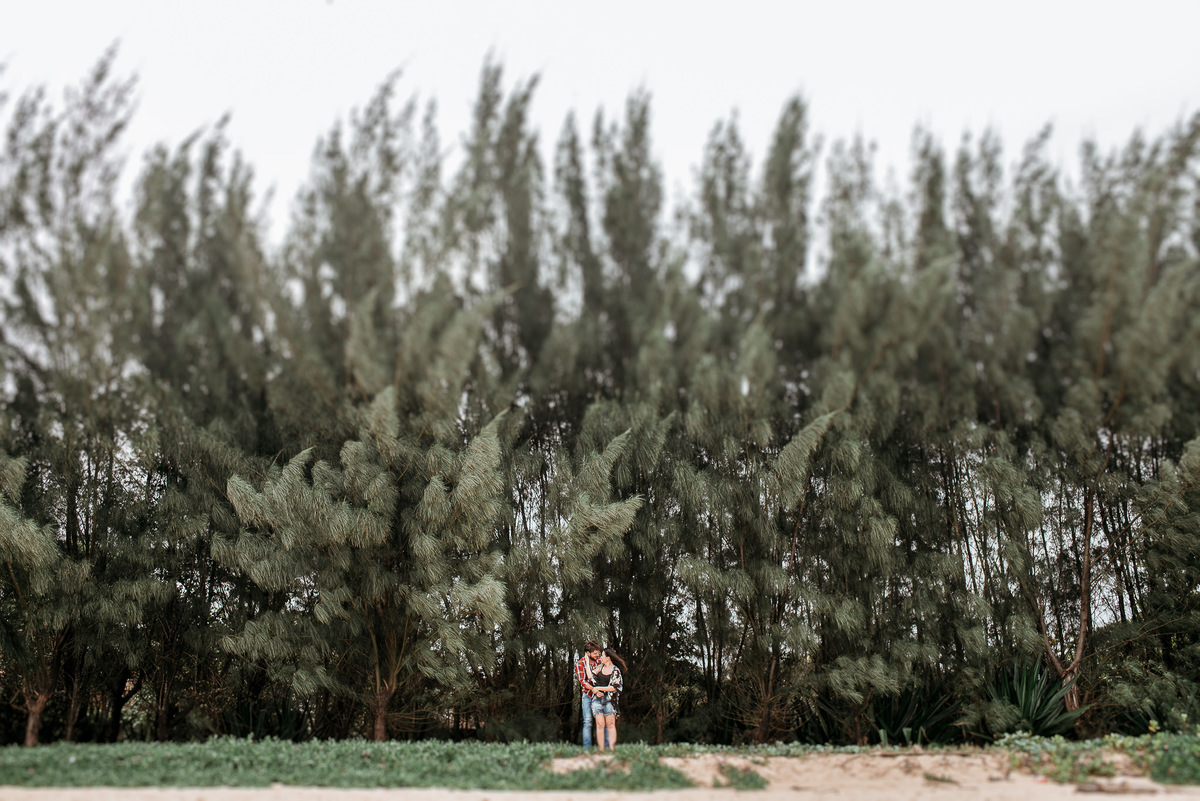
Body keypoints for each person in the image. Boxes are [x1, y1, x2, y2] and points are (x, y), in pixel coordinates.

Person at [590, 647, 626, 751]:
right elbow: (591, 678)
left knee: (610, 724)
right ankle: (601, 750)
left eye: (602, 655)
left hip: (610, 700)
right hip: (597, 699)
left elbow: (614, 688)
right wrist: (595, 690)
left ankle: (611, 749)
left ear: (608, 658)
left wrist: (598, 688)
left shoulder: (616, 671)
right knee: (600, 724)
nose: (600, 657)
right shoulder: (599, 668)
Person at [575, 640, 605, 748]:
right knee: (587, 721)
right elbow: (583, 681)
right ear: (588, 653)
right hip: (587, 695)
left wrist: (599, 690)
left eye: (598, 653)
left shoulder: (600, 662)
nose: (598, 655)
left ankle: (604, 748)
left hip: (600, 695)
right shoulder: (580, 663)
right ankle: (587, 748)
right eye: (595, 653)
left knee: (602, 721)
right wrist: (594, 689)